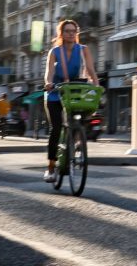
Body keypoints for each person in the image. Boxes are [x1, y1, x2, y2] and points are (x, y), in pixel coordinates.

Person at [42, 19, 99, 183]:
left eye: (73, 31)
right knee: (56, 127)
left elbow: (90, 69)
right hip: (56, 92)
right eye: (67, 31)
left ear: (77, 33)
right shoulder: (54, 51)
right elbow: (49, 71)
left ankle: (76, 140)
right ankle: (51, 167)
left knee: (85, 114)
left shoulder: (83, 50)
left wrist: (96, 84)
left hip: (75, 92)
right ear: (61, 33)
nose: (71, 33)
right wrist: (48, 83)